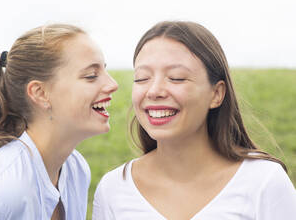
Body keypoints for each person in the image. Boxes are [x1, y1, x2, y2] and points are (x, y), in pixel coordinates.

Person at [92, 21, 296, 219]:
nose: (154, 91)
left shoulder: (264, 182)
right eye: (142, 78)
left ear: (217, 94)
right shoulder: (114, 189)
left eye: (177, 77)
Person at [0, 24, 118, 220]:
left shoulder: (75, 169)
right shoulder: (2, 191)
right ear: (40, 93)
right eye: (91, 76)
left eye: (104, 71)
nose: (113, 84)